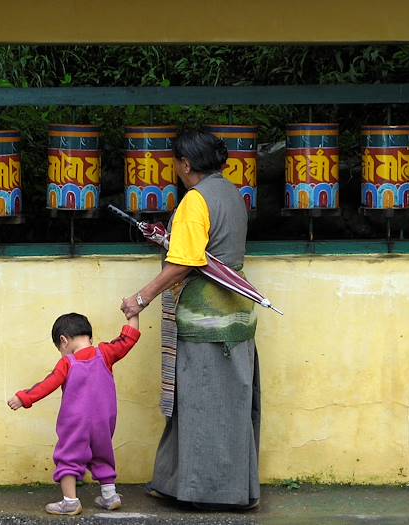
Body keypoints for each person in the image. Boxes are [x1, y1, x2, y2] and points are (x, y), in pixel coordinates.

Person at [121, 129, 261, 510]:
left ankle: (206, 493)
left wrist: (141, 298)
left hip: (205, 318)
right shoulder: (232, 193)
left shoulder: (195, 202)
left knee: (200, 404)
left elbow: (186, 261)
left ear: (185, 164)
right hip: (237, 314)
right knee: (227, 404)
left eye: (175, 161)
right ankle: (181, 483)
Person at [7, 312, 141, 516]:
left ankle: (70, 501)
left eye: (60, 349)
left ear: (64, 340)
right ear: (90, 337)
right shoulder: (105, 353)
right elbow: (128, 339)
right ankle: (110, 496)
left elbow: (47, 385)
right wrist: (133, 314)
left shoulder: (67, 363)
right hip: (104, 421)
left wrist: (23, 398)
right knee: (102, 454)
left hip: (76, 422)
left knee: (68, 457)